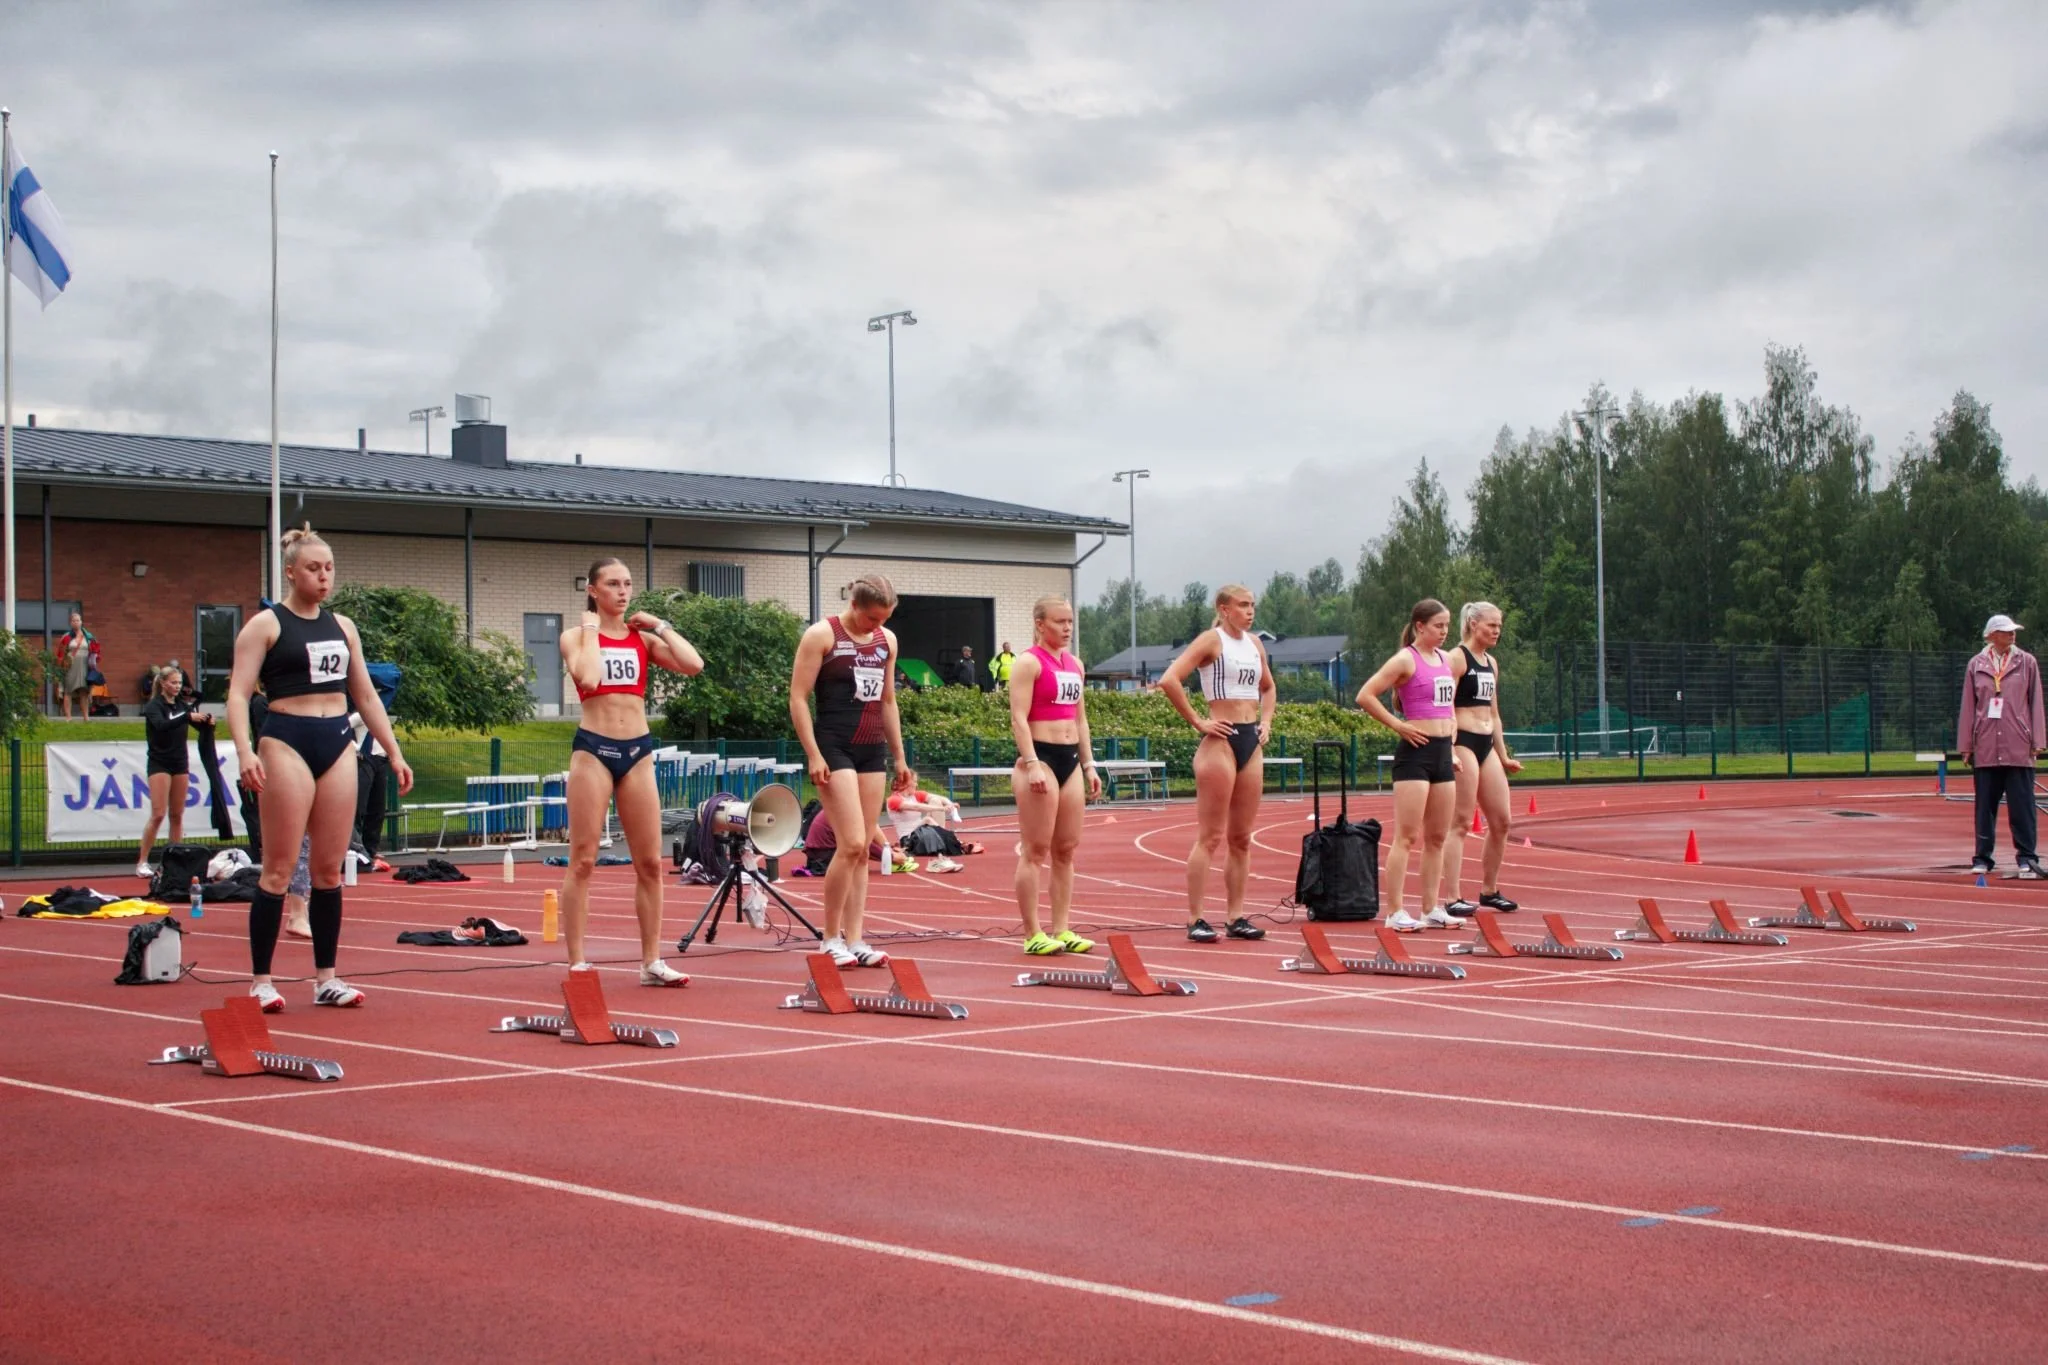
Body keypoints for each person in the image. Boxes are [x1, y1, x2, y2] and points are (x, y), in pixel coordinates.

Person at [228, 527, 413, 1012]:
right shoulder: (265, 626)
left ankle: (326, 978)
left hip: (337, 742)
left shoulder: (343, 626)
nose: (324, 576)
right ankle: (262, 981)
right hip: (286, 740)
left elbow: (366, 695)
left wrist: (393, 751)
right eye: (314, 568)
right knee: (280, 869)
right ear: (291, 571)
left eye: (329, 567)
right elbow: (237, 694)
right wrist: (245, 752)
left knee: (330, 870)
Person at [558, 557, 705, 981]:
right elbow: (586, 678)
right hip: (593, 751)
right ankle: (578, 960)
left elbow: (694, 665)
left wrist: (660, 626)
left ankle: (651, 962)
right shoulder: (574, 637)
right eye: (612, 585)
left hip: (637, 751)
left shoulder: (642, 640)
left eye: (627, 584)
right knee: (584, 859)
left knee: (651, 863)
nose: (622, 592)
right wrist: (590, 630)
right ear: (593, 590)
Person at [790, 573, 917, 966]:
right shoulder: (821, 635)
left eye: (884, 619)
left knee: (863, 850)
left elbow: (889, 701)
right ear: (855, 605)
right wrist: (813, 753)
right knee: (850, 844)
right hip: (834, 745)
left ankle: (856, 939)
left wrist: (899, 757)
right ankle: (830, 938)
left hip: (870, 748)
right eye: (872, 618)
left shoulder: (887, 641)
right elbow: (798, 697)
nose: (877, 626)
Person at [1158, 584, 1273, 943]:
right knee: (1210, 837)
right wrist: (1198, 721)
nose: (1250, 611)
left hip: (1250, 742)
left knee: (1241, 838)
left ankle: (1236, 916)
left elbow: (1268, 687)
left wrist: (1266, 721)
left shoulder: (1255, 644)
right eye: (1242, 605)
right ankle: (1196, 917)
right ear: (1224, 609)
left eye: (1252, 605)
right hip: (1219, 742)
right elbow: (1169, 679)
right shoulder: (1212, 640)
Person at [1355, 599, 1462, 932]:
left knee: (1437, 837)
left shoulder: (1446, 660)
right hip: (1415, 754)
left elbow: (1448, 702)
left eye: (1447, 626)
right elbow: (1365, 695)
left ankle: (1431, 908)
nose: (1444, 632)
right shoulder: (1405, 659)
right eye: (1438, 626)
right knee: (1407, 836)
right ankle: (1395, 911)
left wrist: (1453, 733)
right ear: (1419, 626)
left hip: (1444, 753)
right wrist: (1399, 726)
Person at [1008, 597, 1102, 955]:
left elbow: (1080, 719)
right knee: (1035, 850)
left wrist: (1089, 764)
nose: (1066, 628)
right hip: (1041, 758)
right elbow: (1018, 717)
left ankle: (1062, 928)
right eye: (1059, 622)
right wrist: (1031, 762)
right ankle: (1033, 932)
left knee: (1066, 849)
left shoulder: (1075, 664)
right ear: (1040, 624)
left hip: (1071, 760)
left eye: (1070, 622)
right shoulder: (1028, 663)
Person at [1442, 602, 1523, 916]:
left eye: (1499, 626)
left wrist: (1503, 755)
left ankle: (1489, 890)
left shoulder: (1491, 662)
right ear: (1473, 624)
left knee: (1502, 821)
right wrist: (1448, 748)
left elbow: (1494, 712)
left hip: (1486, 743)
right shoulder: (1456, 658)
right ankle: (1452, 897)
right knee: (1460, 821)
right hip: (1462, 740)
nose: (1497, 632)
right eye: (1491, 625)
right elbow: (1444, 705)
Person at [1959, 613, 2045, 879]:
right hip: (1985, 745)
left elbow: (2035, 702)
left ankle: (2027, 858)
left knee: (2023, 806)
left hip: (2018, 744)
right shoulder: (1976, 664)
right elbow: (1969, 706)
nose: (2012, 635)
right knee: (1985, 806)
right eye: (2006, 631)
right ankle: (1982, 857)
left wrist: (2038, 740)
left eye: (2013, 631)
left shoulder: (2027, 662)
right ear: (1991, 635)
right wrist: (1966, 745)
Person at [137, 664, 212, 878]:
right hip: (160, 763)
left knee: (177, 815)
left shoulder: (182, 706)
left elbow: (193, 722)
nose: (177, 687)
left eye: (180, 683)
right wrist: (188, 717)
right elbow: (162, 725)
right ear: (162, 683)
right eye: (173, 682)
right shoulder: (154, 706)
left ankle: (175, 862)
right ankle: (142, 861)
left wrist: (206, 722)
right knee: (159, 814)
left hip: (180, 762)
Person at [57, 611, 98, 719]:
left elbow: (95, 651)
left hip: (85, 666)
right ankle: (68, 717)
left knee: (84, 692)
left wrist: (94, 663)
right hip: (70, 666)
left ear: (81, 622)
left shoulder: (88, 637)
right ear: (70, 623)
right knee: (68, 691)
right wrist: (61, 664)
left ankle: (86, 717)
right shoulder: (66, 637)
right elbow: (60, 653)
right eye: (73, 621)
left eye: (78, 620)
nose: (76, 622)